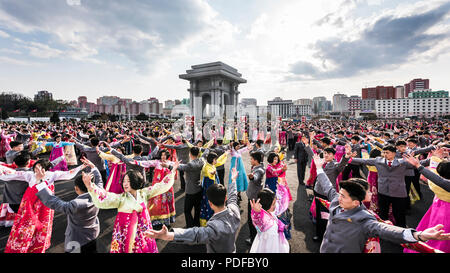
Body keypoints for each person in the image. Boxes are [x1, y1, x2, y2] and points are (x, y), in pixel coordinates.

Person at [313, 154, 450, 253]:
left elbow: (387, 230)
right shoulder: (337, 202)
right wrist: (319, 168)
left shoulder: (364, 219)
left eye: (343, 196)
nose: (338, 197)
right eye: (340, 194)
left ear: (356, 202)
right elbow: (327, 186)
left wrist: (419, 235)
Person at [84, 161, 179, 253]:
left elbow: (160, 186)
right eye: (124, 181)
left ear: (135, 181)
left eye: (128, 181)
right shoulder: (121, 198)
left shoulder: (144, 193)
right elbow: (105, 197)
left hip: (144, 232)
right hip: (126, 234)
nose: (125, 184)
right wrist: (90, 187)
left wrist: (173, 171)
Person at [2, 158, 88, 253]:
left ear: (45, 169)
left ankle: (38, 244)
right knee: (27, 224)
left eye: (39, 168)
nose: (37, 170)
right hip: (31, 203)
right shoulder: (30, 175)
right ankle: (23, 245)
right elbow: (12, 174)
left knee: (43, 224)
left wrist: (80, 167)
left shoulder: (52, 175)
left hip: (45, 203)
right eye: (35, 167)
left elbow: (68, 174)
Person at [145, 167, 241, 253]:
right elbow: (233, 197)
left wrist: (168, 235)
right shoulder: (234, 210)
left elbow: (195, 235)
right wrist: (233, 180)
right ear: (225, 199)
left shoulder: (215, 227)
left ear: (210, 203)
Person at [35, 162, 103, 253]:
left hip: (76, 239)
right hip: (93, 233)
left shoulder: (76, 204)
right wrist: (94, 167)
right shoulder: (98, 194)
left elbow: (55, 202)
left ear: (76, 189)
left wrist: (40, 182)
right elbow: (99, 182)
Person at [403, 153, 450, 253]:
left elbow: (434, 172)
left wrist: (419, 165)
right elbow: (441, 181)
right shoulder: (444, 184)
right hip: (447, 212)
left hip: (438, 208)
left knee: (434, 229)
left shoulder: (433, 182)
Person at [249, 182, 290, 253]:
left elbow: (256, 219)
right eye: (274, 204)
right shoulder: (271, 230)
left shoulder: (263, 214)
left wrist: (282, 189)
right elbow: (272, 249)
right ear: (267, 205)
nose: (276, 205)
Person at [176, 147, 204, 227]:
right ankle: (196, 223)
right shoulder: (201, 161)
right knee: (197, 209)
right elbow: (205, 154)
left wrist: (169, 165)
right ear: (198, 154)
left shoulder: (190, 165)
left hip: (190, 191)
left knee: (187, 210)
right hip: (199, 188)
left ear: (190, 154)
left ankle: (190, 225)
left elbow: (180, 167)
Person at [199, 151, 228, 226]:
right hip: (209, 187)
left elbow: (220, 161)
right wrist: (212, 173)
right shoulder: (206, 166)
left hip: (213, 186)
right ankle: (209, 222)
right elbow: (209, 172)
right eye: (215, 159)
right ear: (211, 159)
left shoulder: (212, 164)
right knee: (209, 204)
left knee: (214, 203)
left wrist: (225, 154)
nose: (216, 161)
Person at [245, 151, 265, 245]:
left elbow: (256, 177)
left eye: (252, 159)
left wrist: (252, 177)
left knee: (251, 219)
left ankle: (253, 238)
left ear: (256, 160)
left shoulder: (259, 170)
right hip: (254, 195)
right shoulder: (258, 166)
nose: (250, 160)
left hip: (253, 198)